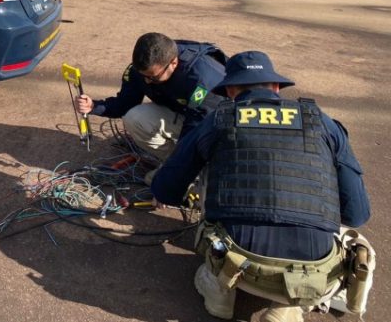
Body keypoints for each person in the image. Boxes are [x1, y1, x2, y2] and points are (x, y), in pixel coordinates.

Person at [151, 51, 373, 322]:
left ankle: (220, 291)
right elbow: (356, 215)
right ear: (276, 87)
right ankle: (291, 304)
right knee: (358, 246)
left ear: (231, 90)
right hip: (313, 271)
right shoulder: (322, 122)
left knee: (211, 163)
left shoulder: (218, 119)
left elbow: (165, 190)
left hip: (233, 260)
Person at [74, 32, 227, 161]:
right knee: (134, 117)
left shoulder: (203, 80)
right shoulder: (142, 68)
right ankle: (173, 164)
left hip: (220, 121)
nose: (147, 81)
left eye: (153, 77)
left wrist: (181, 168)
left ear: (173, 63)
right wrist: (94, 106)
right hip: (186, 112)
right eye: (144, 76)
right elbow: (125, 104)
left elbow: (197, 126)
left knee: (206, 151)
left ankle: (193, 170)